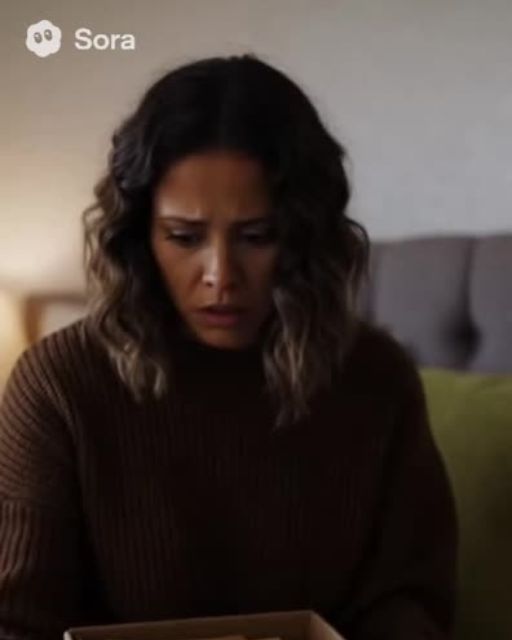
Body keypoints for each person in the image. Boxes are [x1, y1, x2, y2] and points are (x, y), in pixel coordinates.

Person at [0, 53, 457, 640]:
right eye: (184, 237)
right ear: (139, 238)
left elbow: (409, 600)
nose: (220, 275)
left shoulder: (375, 378)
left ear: (303, 238)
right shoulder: (59, 386)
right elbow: (18, 620)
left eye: (257, 236)